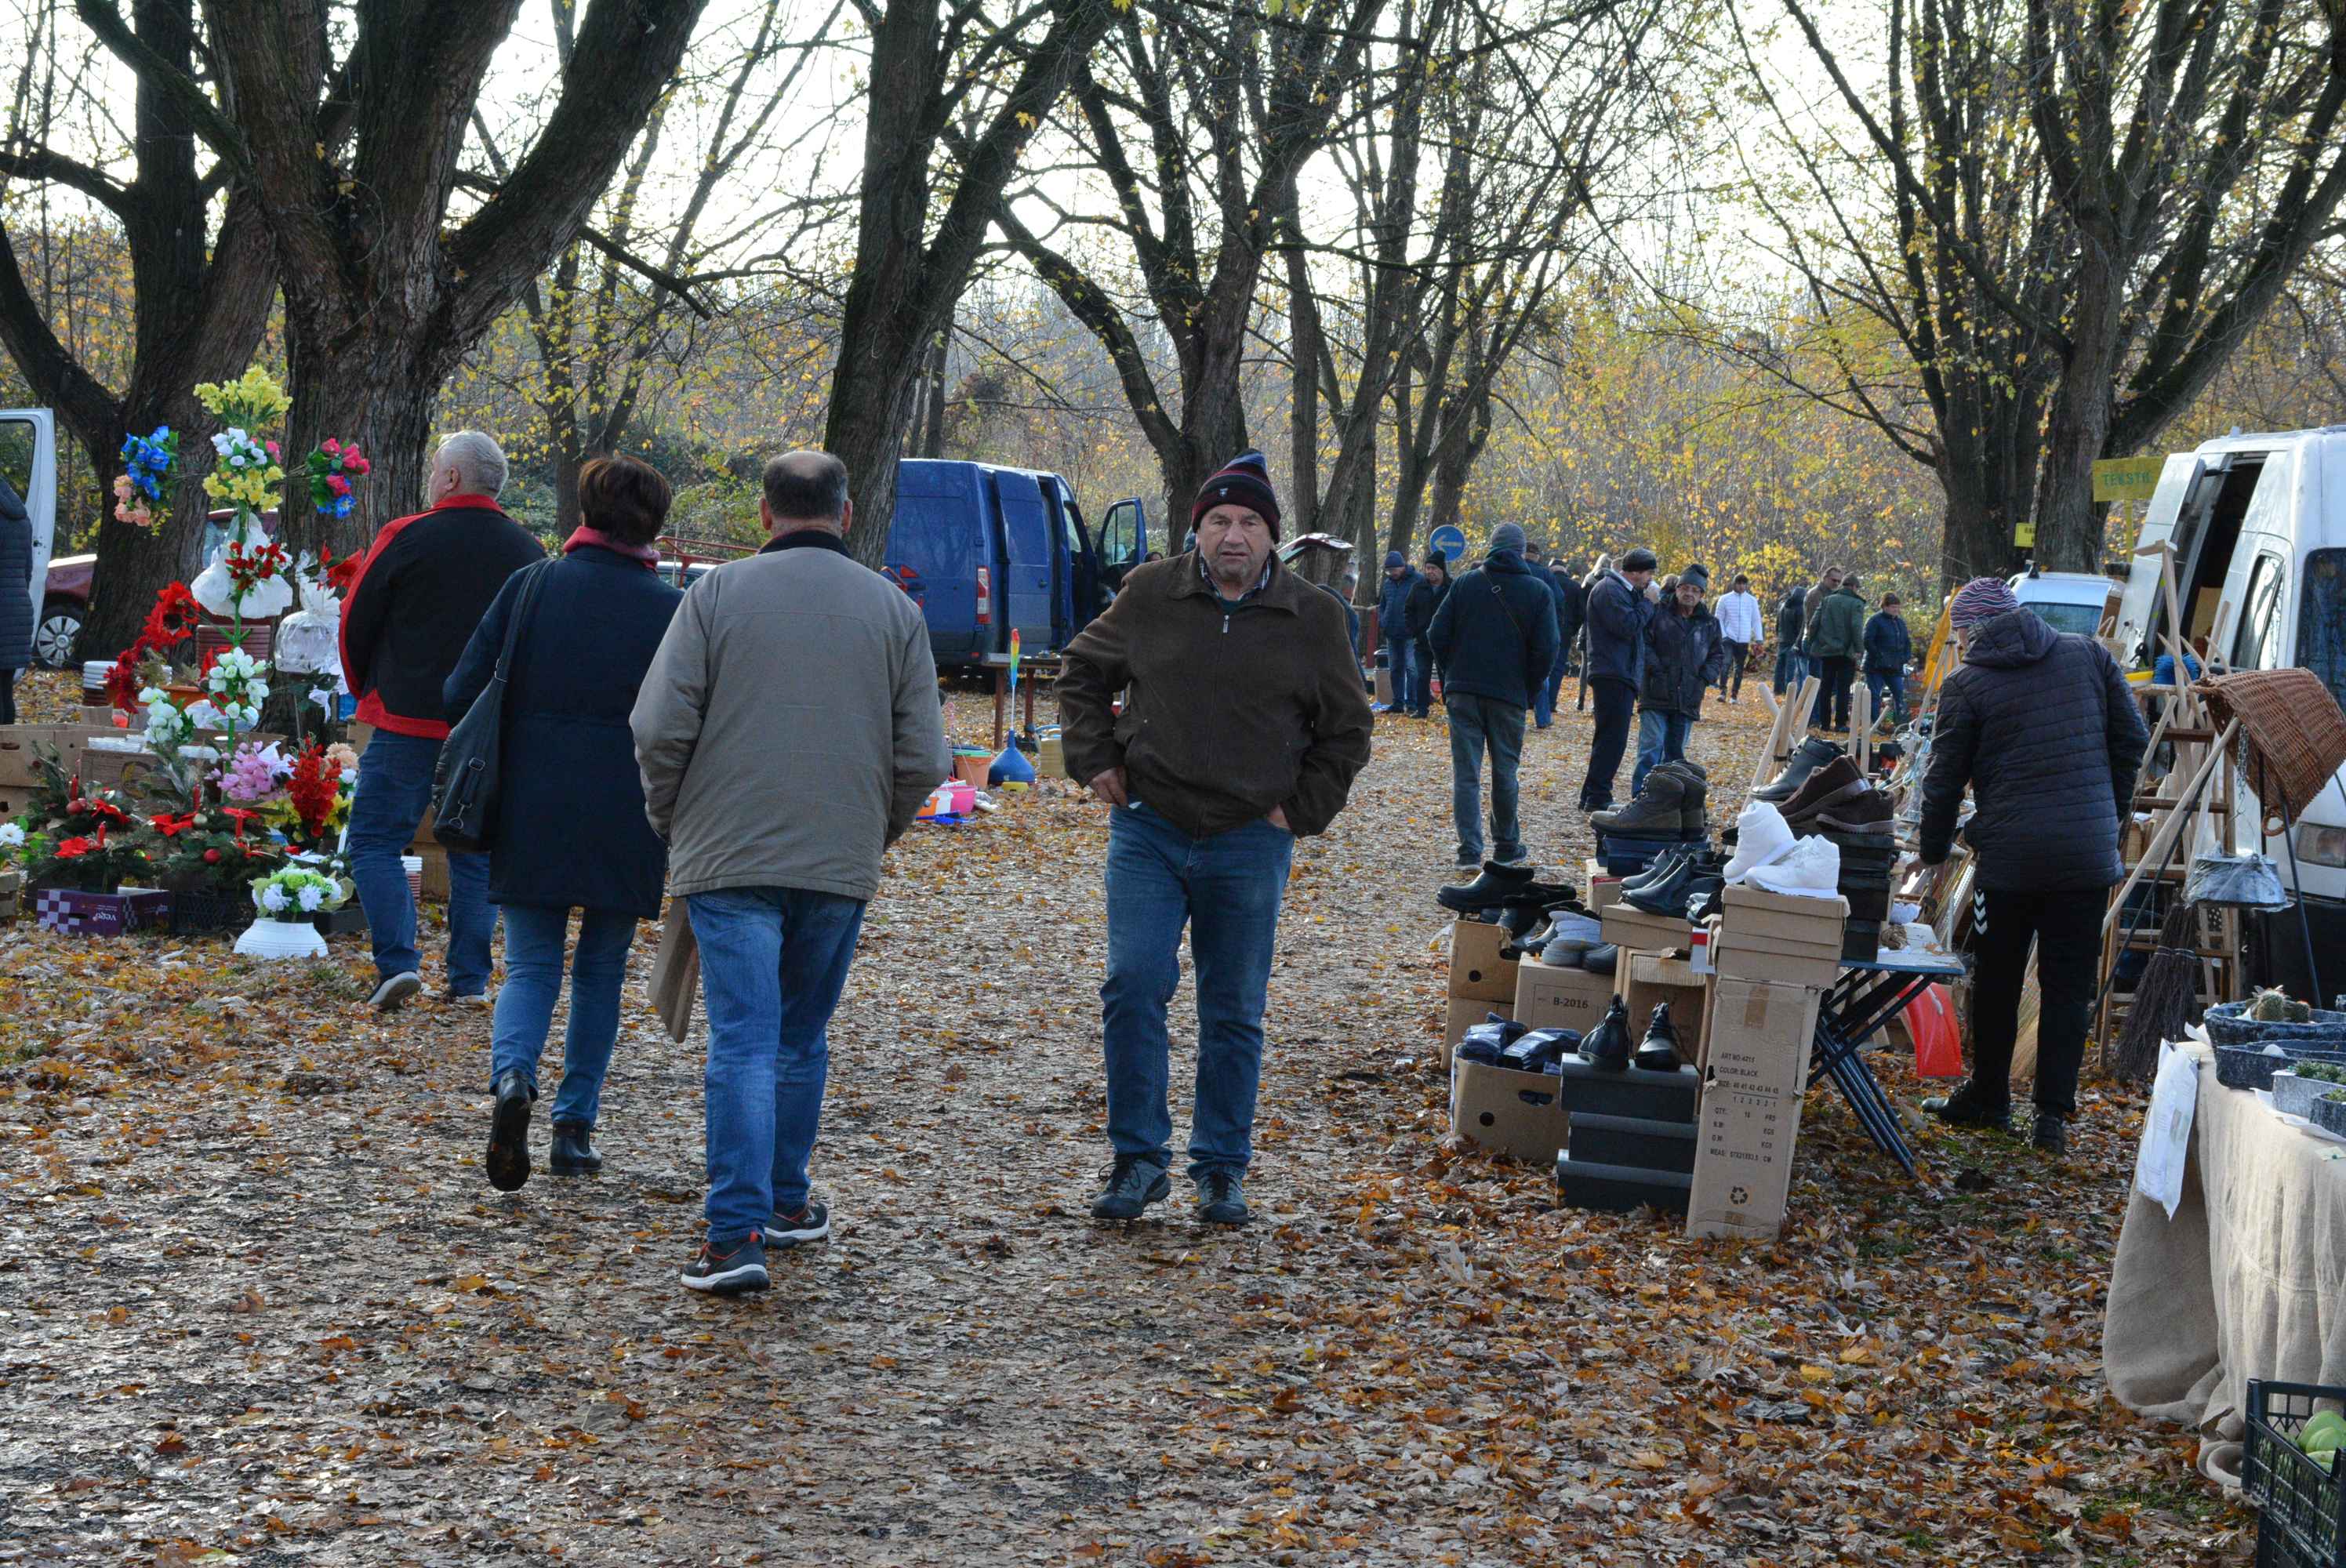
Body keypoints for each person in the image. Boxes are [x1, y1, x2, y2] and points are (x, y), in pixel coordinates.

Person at [633, 451, 946, 1295]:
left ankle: (733, 1232)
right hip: (836, 855)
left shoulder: (713, 597)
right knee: (799, 1038)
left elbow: (660, 726)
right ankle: (785, 1198)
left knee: (742, 1038)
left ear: (765, 515)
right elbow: (925, 756)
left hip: (728, 850)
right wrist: (869, 832)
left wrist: (675, 818)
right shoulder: (893, 611)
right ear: (845, 514)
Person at [1059, 449, 1371, 1227]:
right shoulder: (1150, 594)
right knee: (1133, 983)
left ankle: (1221, 1168)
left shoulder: (1314, 615)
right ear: (1196, 529)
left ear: (1273, 536)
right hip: (1151, 829)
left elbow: (1348, 728)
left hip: (1248, 838)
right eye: (1218, 521)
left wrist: (1299, 809)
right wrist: (1094, 757)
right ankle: (1137, 1160)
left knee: (1233, 1006)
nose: (1233, 536)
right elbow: (1081, 672)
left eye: (1250, 523)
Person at [447, 454, 683, 1191]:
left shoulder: (531, 588)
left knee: (531, 964)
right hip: (629, 808)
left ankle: (514, 1079)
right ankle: (574, 1128)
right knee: (602, 970)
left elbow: (460, 690)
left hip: (532, 801)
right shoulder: (673, 610)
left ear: (584, 509)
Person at [1918, 577, 2148, 1156]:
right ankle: (2051, 1118)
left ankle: (1990, 1098)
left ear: (1971, 631)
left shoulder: (1967, 685)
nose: (1962, 644)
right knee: (2068, 988)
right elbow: (2132, 740)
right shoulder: (2088, 654)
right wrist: (2107, 817)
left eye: (1962, 633)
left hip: (2011, 861)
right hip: (2086, 859)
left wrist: (1931, 853)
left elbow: (1944, 779)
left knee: (1996, 979)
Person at [341, 431, 543, 1011]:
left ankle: (398, 963)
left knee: (376, 839)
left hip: (405, 718)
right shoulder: (529, 553)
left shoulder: (407, 537)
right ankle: (471, 980)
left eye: (435, 470)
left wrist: (368, 693)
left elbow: (357, 619)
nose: (432, 478)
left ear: (451, 479)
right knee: (475, 853)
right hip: (484, 729)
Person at [1429, 522, 1560, 870]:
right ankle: (1506, 846)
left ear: (1490, 547)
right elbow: (1547, 649)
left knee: (1466, 774)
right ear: (1520, 552)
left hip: (1463, 692)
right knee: (1505, 772)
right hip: (1509, 695)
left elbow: (1436, 633)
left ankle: (1469, 852)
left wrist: (1450, 675)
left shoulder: (1466, 584)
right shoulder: (1538, 590)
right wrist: (1529, 688)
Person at [1630, 564, 1729, 798]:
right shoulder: (1658, 613)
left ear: (1702, 595)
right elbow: (1645, 643)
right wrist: (1656, 670)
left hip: (1688, 695)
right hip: (1656, 691)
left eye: (1696, 590)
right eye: (1685, 588)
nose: (1690, 594)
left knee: (1675, 755)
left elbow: (1718, 655)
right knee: (1650, 749)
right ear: (1677, 589)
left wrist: (1704, 677)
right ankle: (1640, 798)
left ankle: (1666, 802)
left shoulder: (1710, 623)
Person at [1578, 546, 1658, 811]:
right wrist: (1648, 603)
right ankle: (1598, 795)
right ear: (1638, 573)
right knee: (1612, 738)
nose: (1649, 582)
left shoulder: (1620, 590)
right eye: (1648, 575)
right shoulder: (1610, 590)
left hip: (1618, 671)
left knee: (1609, 736)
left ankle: (1591, 793)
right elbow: (1627, 626)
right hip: (1613, 671)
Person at [1803, 570, 1868, 732]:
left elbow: (1813, 624)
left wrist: (1812, 643)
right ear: (1854, 587)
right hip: (1847, 653)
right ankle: (1839, 723)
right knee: (1843, 688)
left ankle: (1824, 724)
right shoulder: (1856, 604)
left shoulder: (1827, 600)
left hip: (1826, 651)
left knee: (1826, 687)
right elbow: (1856, 627)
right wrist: (1859, 649)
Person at [1525, 548, 1571, 730]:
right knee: (1541, 674)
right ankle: (1543, 717)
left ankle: (1516, 716)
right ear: (1537, 556)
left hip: (1514, 631)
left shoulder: (1513, 570)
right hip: (1538, 630)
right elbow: (1559, 599)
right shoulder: (1545, 574)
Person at [1402, 551, 1450, 717]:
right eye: (1427, 568)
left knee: (1447, 677)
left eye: (1433, 568)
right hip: (1422, 640)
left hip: (1445, 642)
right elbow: (1408, 611)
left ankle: (1451, 709)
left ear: (1442, 570)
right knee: (1422, 676)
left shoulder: (1451, 587)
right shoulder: (1418, 587)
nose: (1430, 572)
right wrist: (1414, 631)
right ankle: (1422, 709)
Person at [0, 474, 31, 724]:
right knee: (5, 691)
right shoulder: (21, 518)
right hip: (18, 608)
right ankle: (7, 754)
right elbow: (27, 570)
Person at [1862, 592, 1914, 728]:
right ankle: (1874, 724)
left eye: (1897, 607)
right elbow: (1868, 641)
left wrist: (1906, 657)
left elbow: (1907, 642)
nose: (1896, 610)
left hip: (1895, 666)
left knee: (1899, 694)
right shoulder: (1874, 620)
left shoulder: (1900, 623)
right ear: (1884, 606)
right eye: (1892, 607)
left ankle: (1901, 725)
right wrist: (1880, 656)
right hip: (1875, 666)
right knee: (1874, 696)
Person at [1377, 550, 1418, 712]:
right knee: (1395, 668)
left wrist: (1416, 626)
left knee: (1411, 668)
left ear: (1402, 567)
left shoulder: (1417, 580)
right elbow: (1383, 605)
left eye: (1393, 570)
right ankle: (1398, 702)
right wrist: (1383, 621)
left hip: (1410, 632)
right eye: (1389, 571)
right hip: (1392, 632)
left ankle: (1413, 703)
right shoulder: (1388, 583)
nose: (1391, 574)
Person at [1714, 572, 1763, 702]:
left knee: (1739, 667)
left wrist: (1759, 638)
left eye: (1744, 584)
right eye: (1739, 584)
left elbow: (1756, 620)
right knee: (1726, 663)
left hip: (1744, 639)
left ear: (1746, 585)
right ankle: (1723, 691)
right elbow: (1718, 619)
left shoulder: (1752, 600)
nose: (1741, 586)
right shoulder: (1724, 599)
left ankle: (1734, 695)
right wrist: (1723, 635)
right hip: (1728, 637)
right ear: (1734, 584)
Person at [1773, 583, 1809, 696]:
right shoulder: (1800, 609)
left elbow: (1777, 624)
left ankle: (1777, 690)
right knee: (1791, 669)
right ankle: (1789, 693)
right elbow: (1800, 628)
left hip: (1782, 639)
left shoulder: (1782, 605)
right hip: (1792, 641)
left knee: (1779, 667)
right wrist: (1799, 642)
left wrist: (1778, 636)